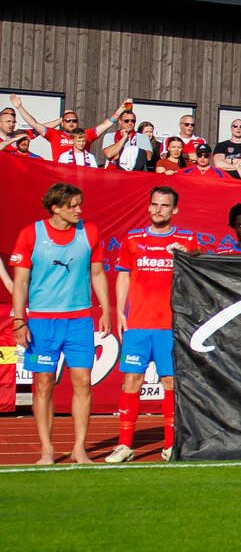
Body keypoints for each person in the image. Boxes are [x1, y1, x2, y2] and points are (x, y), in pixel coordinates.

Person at [7, 183, 110, 465]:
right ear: (55, 208)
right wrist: (19, 321)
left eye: (80, 204)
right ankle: (47, 451)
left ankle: (79, 449)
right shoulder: (31, 234)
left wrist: (106, 309)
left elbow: (98, 272)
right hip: (42, 321)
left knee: (82, 383)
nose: (80, 210)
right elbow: (21, 282)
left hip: (79, 320)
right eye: (73, 205)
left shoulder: (89, 232)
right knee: (43, 385)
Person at [102, 186, 201, 463]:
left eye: (165, 205)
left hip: (170, 325)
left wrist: (188, 255)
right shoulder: (133, 239)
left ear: (175, 210)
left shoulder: (186, 238)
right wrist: (120, 311)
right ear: (149, 207)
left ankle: (170, 445)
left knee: (170, 382)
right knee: (131, 381)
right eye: (155, 204)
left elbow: (201, 269)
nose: (159, 210)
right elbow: (123, 275)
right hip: (138, 324)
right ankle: (124, 445)